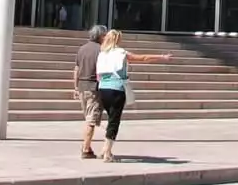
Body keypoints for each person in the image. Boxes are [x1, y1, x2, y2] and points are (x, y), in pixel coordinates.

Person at [93, 30, 171, 162]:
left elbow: (98, 74)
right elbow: (142, 58)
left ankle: (105, 148)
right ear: (117, 40)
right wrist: (161, 57)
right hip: (116, 88)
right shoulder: (121, 52)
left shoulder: (102, 54)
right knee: (114, 120)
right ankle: (107, 152)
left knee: (111, 118)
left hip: (103, 89)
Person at [71, 23, 110, 160]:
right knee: (91, 120)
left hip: (82, 86)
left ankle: (86, 146)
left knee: (88, 117)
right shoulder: (101, 50)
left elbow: (76, 69)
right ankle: (85, 148)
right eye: (105, 35)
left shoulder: (82, 49)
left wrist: (75, 87)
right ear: (101, 36)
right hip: (94, 88)